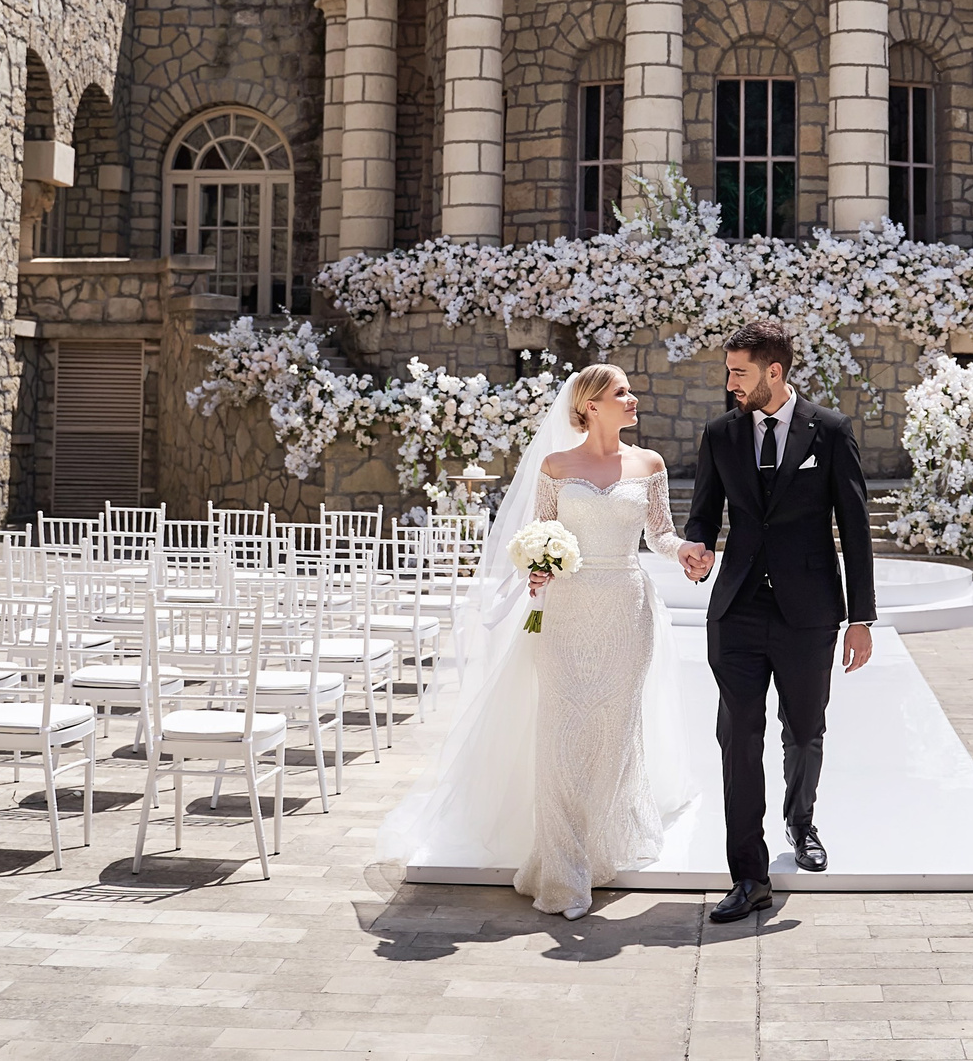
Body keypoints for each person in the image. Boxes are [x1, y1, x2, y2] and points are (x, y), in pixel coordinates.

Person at [375, 366, 697, 922]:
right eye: (621, 392)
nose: (633, 397)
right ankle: (562, 871)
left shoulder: (649, 464)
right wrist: (539, 570)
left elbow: (659, 533)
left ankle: (600, 848)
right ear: (590, 405)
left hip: (626, 609)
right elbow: (540, 536)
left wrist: (685, 549)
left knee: (615, 733)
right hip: (567, 614)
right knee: (560, 738)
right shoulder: (555, 466)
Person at [678, 319, 877, 923]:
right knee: (738, 736)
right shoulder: (720, 434)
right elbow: (704, 512)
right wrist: (697, 546)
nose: (729, 382)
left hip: (809, 612)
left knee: (804, 729)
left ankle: (802, 821)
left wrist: (860, 617)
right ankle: (749, 876)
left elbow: (857, 527)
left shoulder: (830, 431)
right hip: (736, 610)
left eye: (739, 372)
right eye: (728, 371)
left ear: (774, 371)